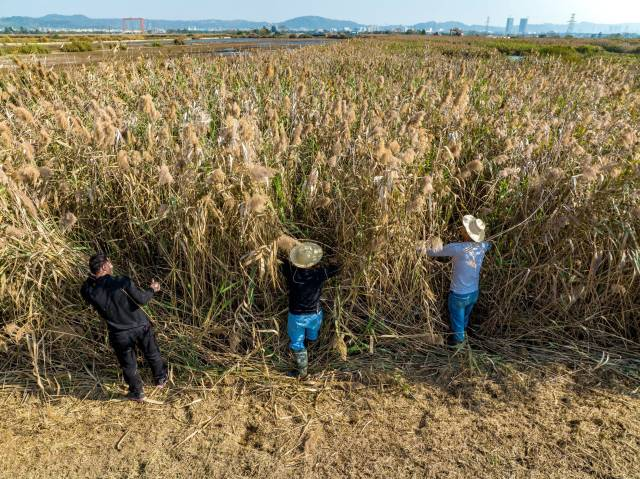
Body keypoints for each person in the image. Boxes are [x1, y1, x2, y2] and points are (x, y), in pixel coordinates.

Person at [80, 253, 168, 402]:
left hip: (119, 333)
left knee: (128, 364)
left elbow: (86, 285)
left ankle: (137, 392)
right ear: (104, 267)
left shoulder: (89, 291)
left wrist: (93, 277)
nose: (112, 266)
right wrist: (152, 289)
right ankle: (160, 380)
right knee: (152, 353)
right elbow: (141, 299)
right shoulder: (122, 281)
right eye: (109, 263)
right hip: (140, 325)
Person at [418, 215, 491, 348]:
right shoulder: (483, 246)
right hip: (474, 293)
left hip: (459, 295)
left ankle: (459, 346)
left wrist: (416, 247)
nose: (461, 229)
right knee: (464, 318)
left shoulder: (457, 248)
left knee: (457, 320)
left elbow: (433, 252)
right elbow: (489, 244)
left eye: (464, 228)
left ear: (468, 234)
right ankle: (463, 336)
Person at [281, 242, 340, 379]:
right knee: (312, 334)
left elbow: (283, 264)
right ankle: (312, 348)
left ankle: (302, 372)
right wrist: (333, 261)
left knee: (297, 342)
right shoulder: (318, 274)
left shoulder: (292, 274)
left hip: (297, 317)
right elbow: (335, 270)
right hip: (315, 315)